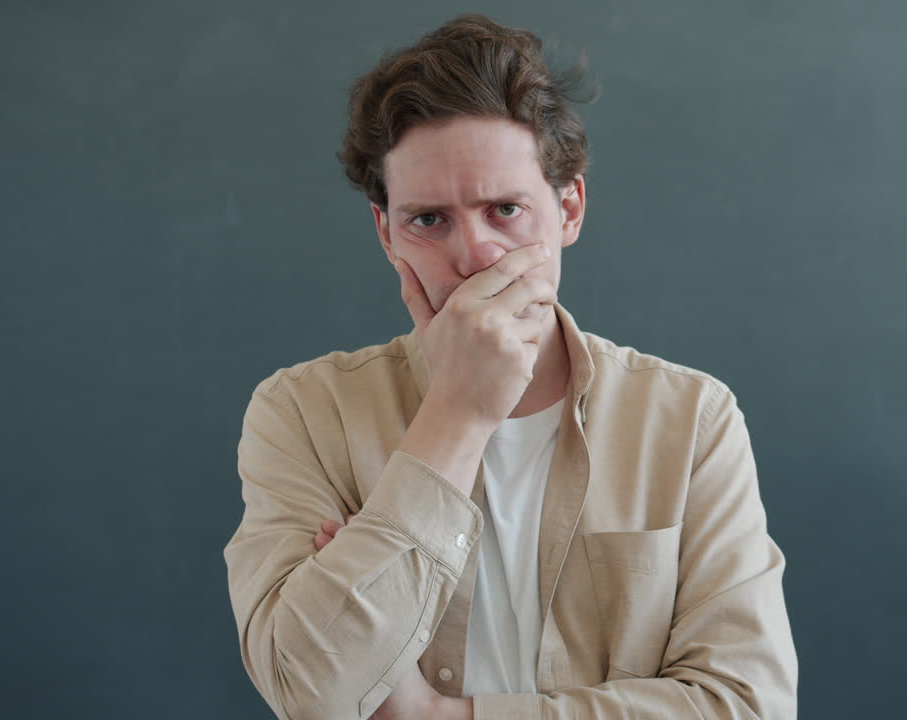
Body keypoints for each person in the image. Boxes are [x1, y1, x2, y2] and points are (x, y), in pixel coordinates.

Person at [223, 13, 797, 720]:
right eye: (428, 220)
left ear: (569, 209)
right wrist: (457, 414)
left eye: (505, 210)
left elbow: (747, 705)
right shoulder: (302, 414)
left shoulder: (692, 420)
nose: (475, 255)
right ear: (386, 233)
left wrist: (438, 716)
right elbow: (309, 693)